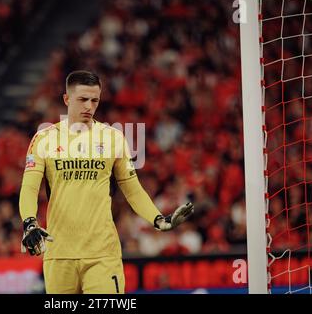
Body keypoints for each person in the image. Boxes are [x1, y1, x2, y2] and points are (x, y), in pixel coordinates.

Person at [19, 70, 194, 294]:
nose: (89, 107)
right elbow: (29, 187)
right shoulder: (43, 139)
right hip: (59, 253)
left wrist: (158, 219)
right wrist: (29, 223)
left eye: (95, 100)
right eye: (82, 99)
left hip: (102, 254)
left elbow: (132, 189)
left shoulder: (113, 138)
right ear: (66, 99)